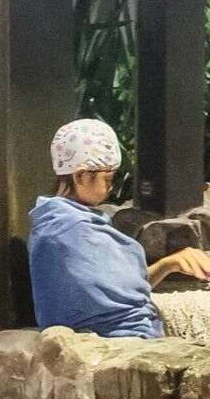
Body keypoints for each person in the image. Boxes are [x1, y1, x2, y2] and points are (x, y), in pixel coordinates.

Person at [24, 119, 190, 340]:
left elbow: (123, 288)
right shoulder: (68, 231)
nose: (111, 187)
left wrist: (170, 263)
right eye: (107, 179)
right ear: (80, 176)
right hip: (118, 340)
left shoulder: (57, 223)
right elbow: (123, 300)